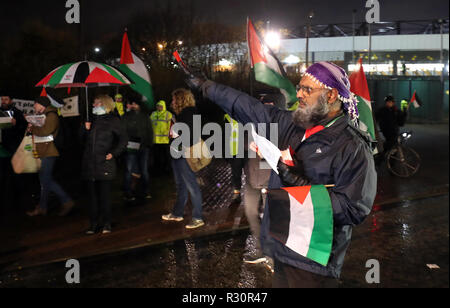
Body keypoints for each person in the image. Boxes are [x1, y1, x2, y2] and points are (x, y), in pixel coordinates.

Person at [183, 61, 377, 287]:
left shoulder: (352, 146)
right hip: (282, 248)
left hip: (313, 262)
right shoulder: (293, 124)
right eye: (299, 87)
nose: (300, 94)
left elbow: (355, 208)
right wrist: (206, 86)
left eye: (308, 89)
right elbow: (249, 107)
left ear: (331, 94)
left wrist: (299, 184)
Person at [243, 93, 286, 265]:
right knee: (251, 213)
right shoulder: (252, 124)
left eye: (270, 105)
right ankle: (261, 250)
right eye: (264, 106)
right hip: (252, 178)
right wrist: (248, 144)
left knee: (274, 218)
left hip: (271, 180)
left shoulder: (285, 126)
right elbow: (242, 145)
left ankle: (275, 257)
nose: (266, 110)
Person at [81, 94, 127, 234]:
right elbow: (80, 140)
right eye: (94, 103)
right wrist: (85, 129)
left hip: (105, 164)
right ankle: (94, 224)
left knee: (105, 196)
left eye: (97, 103)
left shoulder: (113, 120)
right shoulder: (90, 120)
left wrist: (113, 153)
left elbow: (123, 139)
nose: (94, 106)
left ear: (105, 104)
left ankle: (106, 223)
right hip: (89, 164)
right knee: (92, 198)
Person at [161, 88, 204, 229]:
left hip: (184, 154)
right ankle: (177, 213)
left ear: (180, 100)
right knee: (181, 185)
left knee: (191, 185)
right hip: (178, 153)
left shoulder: (189, 113)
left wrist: (177, 134)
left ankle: (198, 217)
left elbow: (192, 135)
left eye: (174, 99)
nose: (172, 102)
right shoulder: (183, 114)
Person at [26, 96, 75, 217]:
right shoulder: (42, 115)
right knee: (44, 180)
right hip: (42, 151)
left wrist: (33, 128)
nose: (34, 106)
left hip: (49, 151)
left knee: (46, 179)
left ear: (42, 105)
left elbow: (46, 131)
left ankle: (66, 201)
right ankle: (43, 207)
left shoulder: (51, 115)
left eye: (35, 104)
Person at [0, 95, 27, 213]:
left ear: (11, 101)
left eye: (6, 99)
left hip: (14, 149)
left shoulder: (17, 113)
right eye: (1, 99)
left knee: (16, 177)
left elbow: (23, 129)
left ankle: (17, 204)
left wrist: (16, 124)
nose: (3, 101)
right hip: (2, 149)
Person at [122, 99, 153, 200]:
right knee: (129, 169)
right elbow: (123, 131)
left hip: (144, 146)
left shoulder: (145, 116)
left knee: (144, 170)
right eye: (132, 103)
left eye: (135, 103)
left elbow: (150, 130)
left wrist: (149, 144)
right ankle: (128, 192)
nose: (133, 105)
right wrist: (125, 143)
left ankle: (145, 191)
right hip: (131, 145)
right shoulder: (126, 116)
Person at [224, 114, 246, 204]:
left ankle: (256, 194)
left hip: (248, 150)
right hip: (235, 151)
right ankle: (237, 193)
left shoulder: (248, 113)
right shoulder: (227, 117)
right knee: (236, 174)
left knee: (250, 174)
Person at [150, 100, 173, 175]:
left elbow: (172, 126)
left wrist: (171, 136)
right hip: (155, 140)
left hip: (165, 140)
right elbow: (149, 124)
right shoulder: (153, 114)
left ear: (164, 106)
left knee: (166, 157)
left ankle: (167, 171)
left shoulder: (168, 114)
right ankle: (157, 171)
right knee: (156, 157)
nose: (159, 107)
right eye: (158, 106)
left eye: (160, 106)